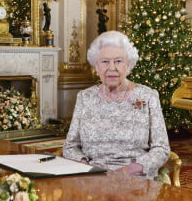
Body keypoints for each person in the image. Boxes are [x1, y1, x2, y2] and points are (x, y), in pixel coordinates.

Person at [63, 30, 170, 180]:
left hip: (135, 178)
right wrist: (84, 165)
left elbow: (162, 149)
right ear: (96, 66)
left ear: (128, 64)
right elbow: (70, 146)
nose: (111, 68)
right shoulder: (84, 97)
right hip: (93, 177)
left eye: (118, 61)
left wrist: (131, 170)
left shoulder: (148, 96)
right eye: (105, 62)